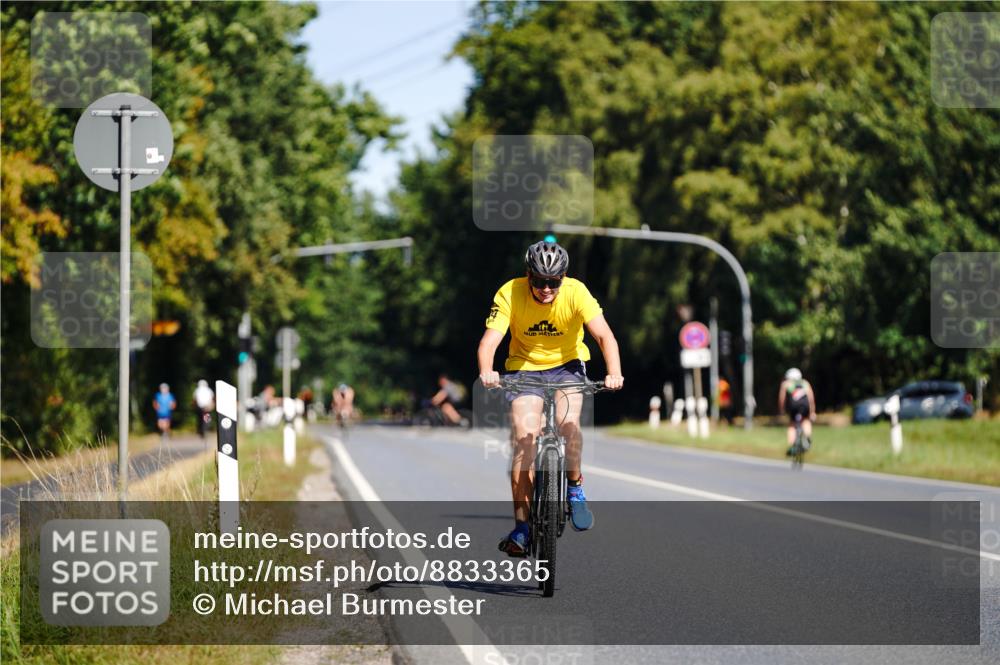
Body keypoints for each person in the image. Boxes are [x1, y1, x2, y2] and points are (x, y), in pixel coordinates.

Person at [478, 240, 624, 556]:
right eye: (540, 281)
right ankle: (522, 528)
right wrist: (487, 371)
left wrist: (614, 372)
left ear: (563, 277)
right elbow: (490, 342)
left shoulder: (576, 292)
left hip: (568, 368)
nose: (546, 288)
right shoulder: (510, 292)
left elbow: (604, 336)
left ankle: (574, 488)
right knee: (523, 442)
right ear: (528, 275)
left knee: (567, 424)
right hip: (523, 371)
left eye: (554, 281)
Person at [778, 368, 816, 455]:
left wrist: (781, 410)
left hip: (793, 406)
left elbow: (782, 398)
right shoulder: (805, 383)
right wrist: (812, 412)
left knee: (792, 425)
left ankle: (792, 446)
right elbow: (811, 398)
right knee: (806, 421)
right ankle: (807, 438)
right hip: (805, 405)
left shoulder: (786, 384)